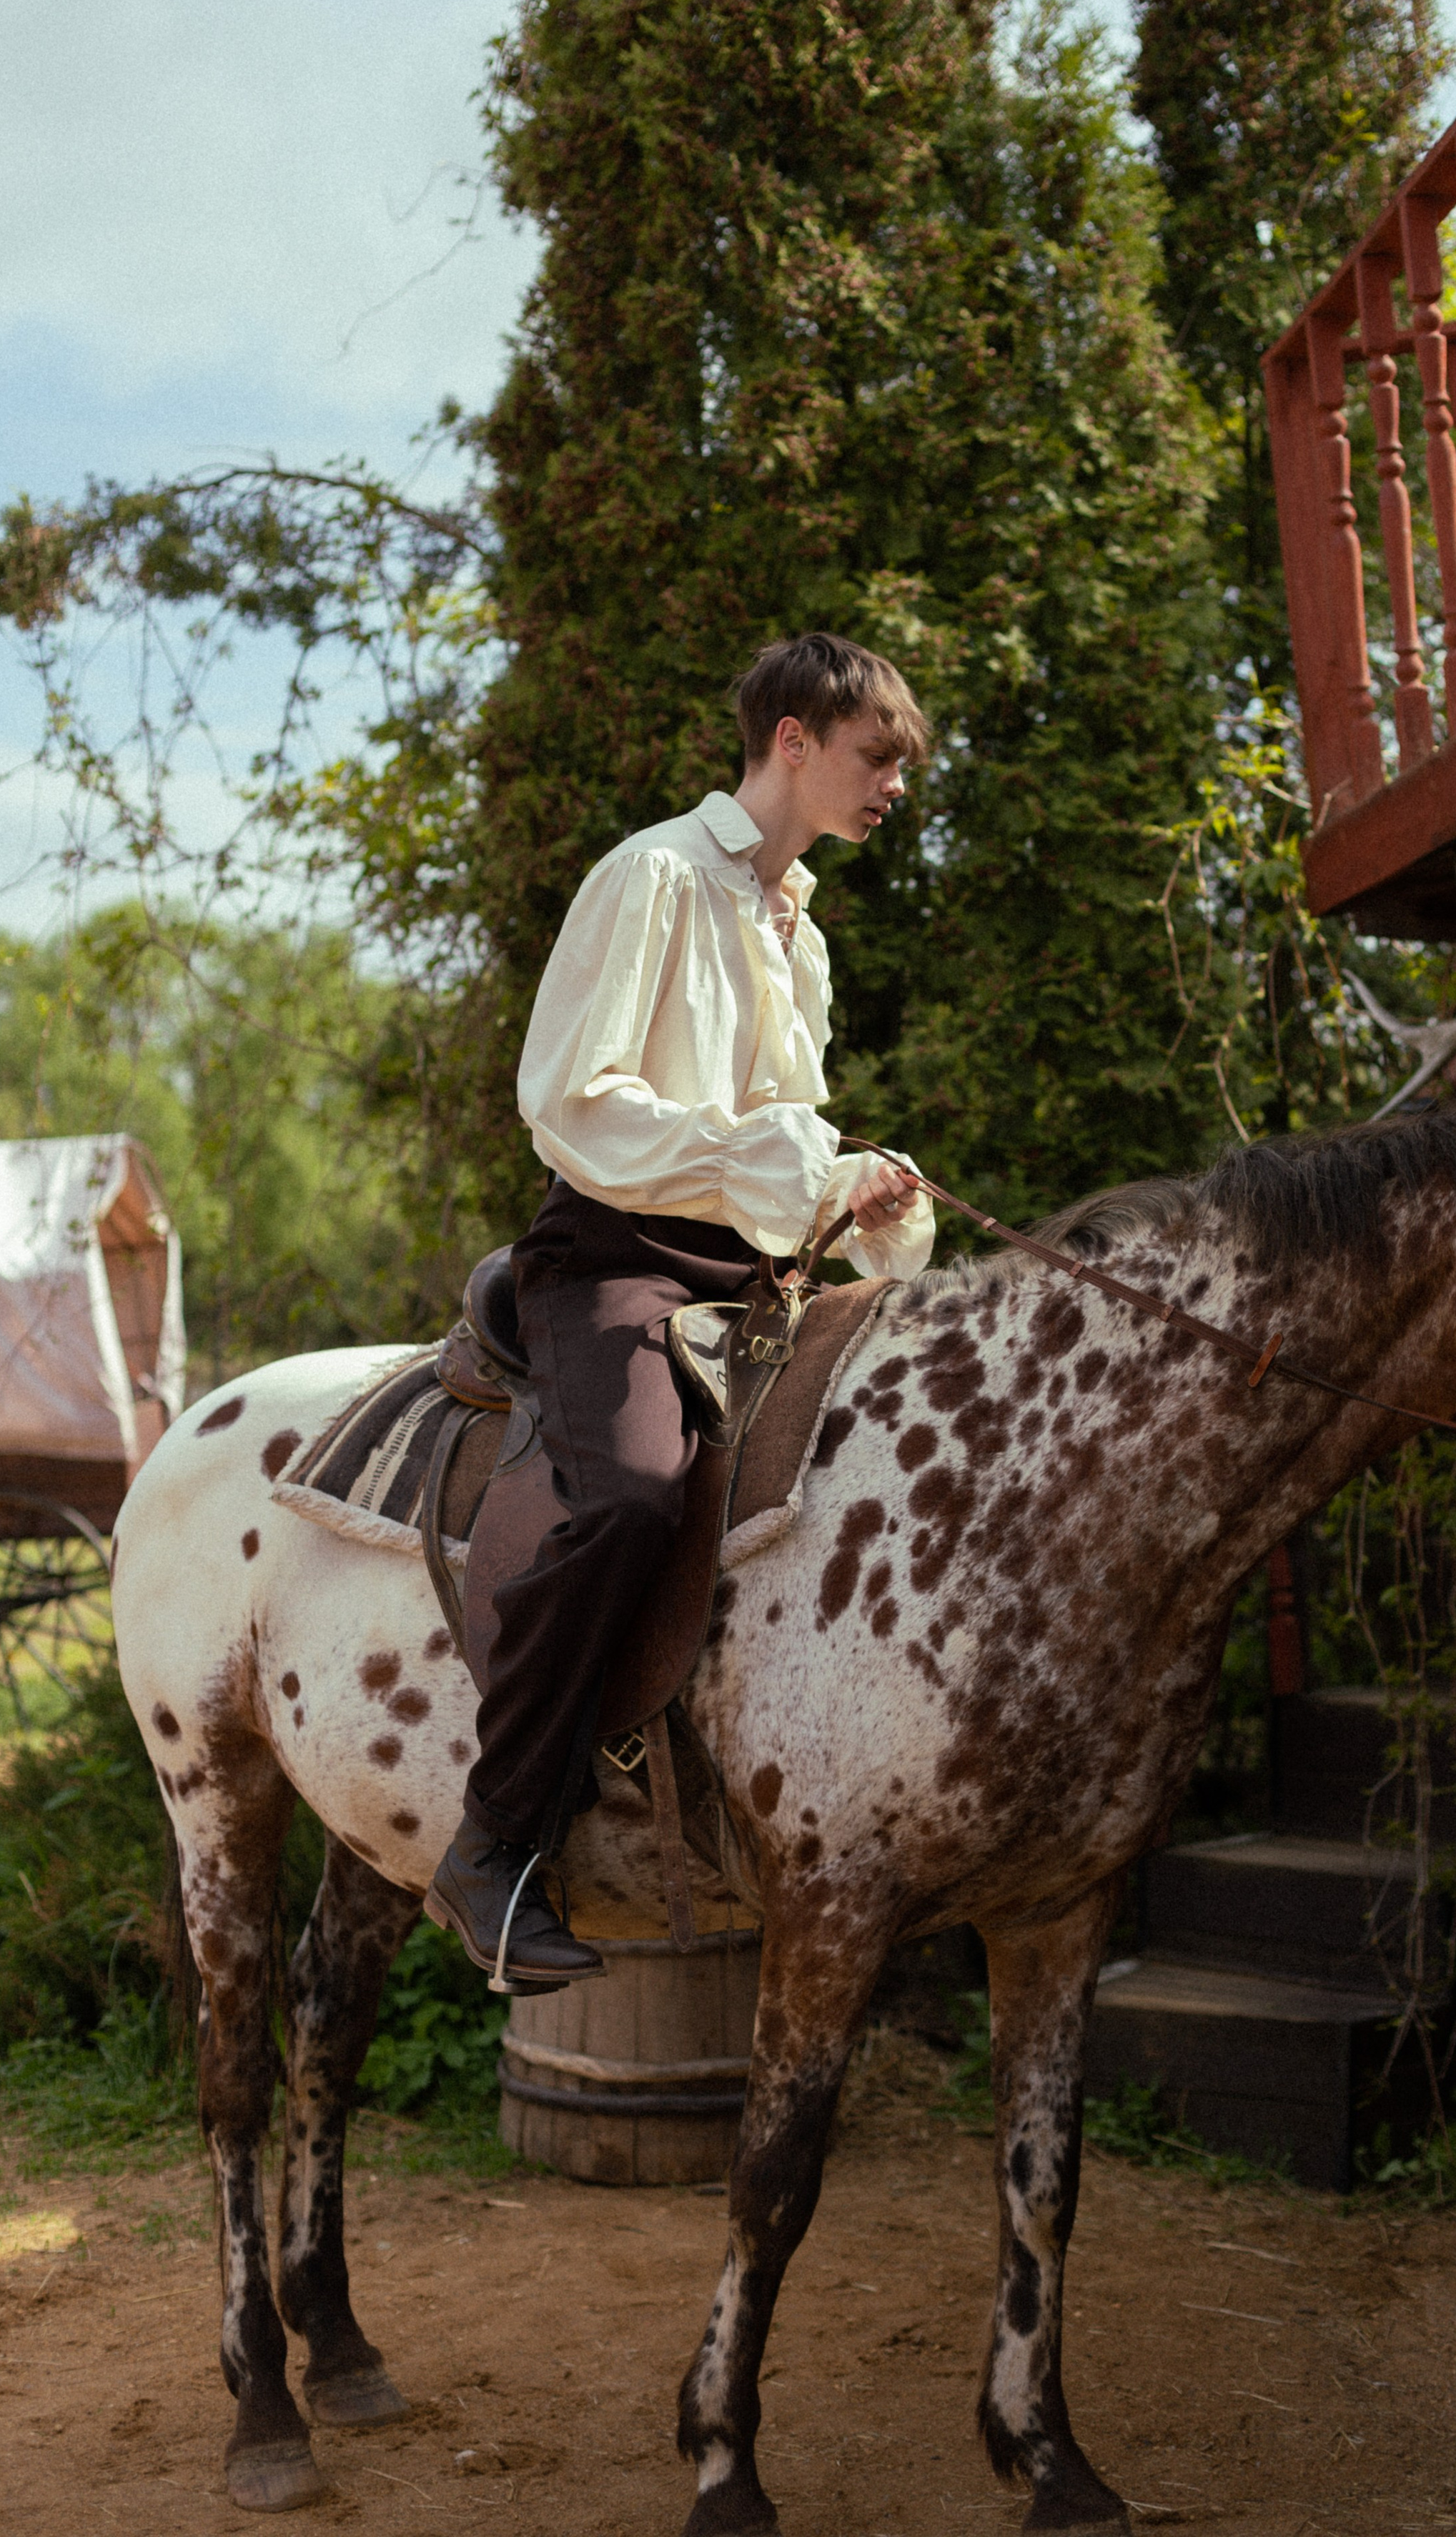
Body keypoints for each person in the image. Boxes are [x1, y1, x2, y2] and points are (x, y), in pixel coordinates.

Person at [425, 633, 937, 1985]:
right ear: (793, 740)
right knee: (640, 1495)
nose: (894, 784)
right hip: (616, 1262)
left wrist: (847, 1192)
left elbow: (774, 1149)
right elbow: (574, 1101)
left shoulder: (798, 929)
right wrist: (777, 1162)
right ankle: (492, 1847)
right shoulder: (653, 874)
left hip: (756, 1274)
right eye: (877, 756)